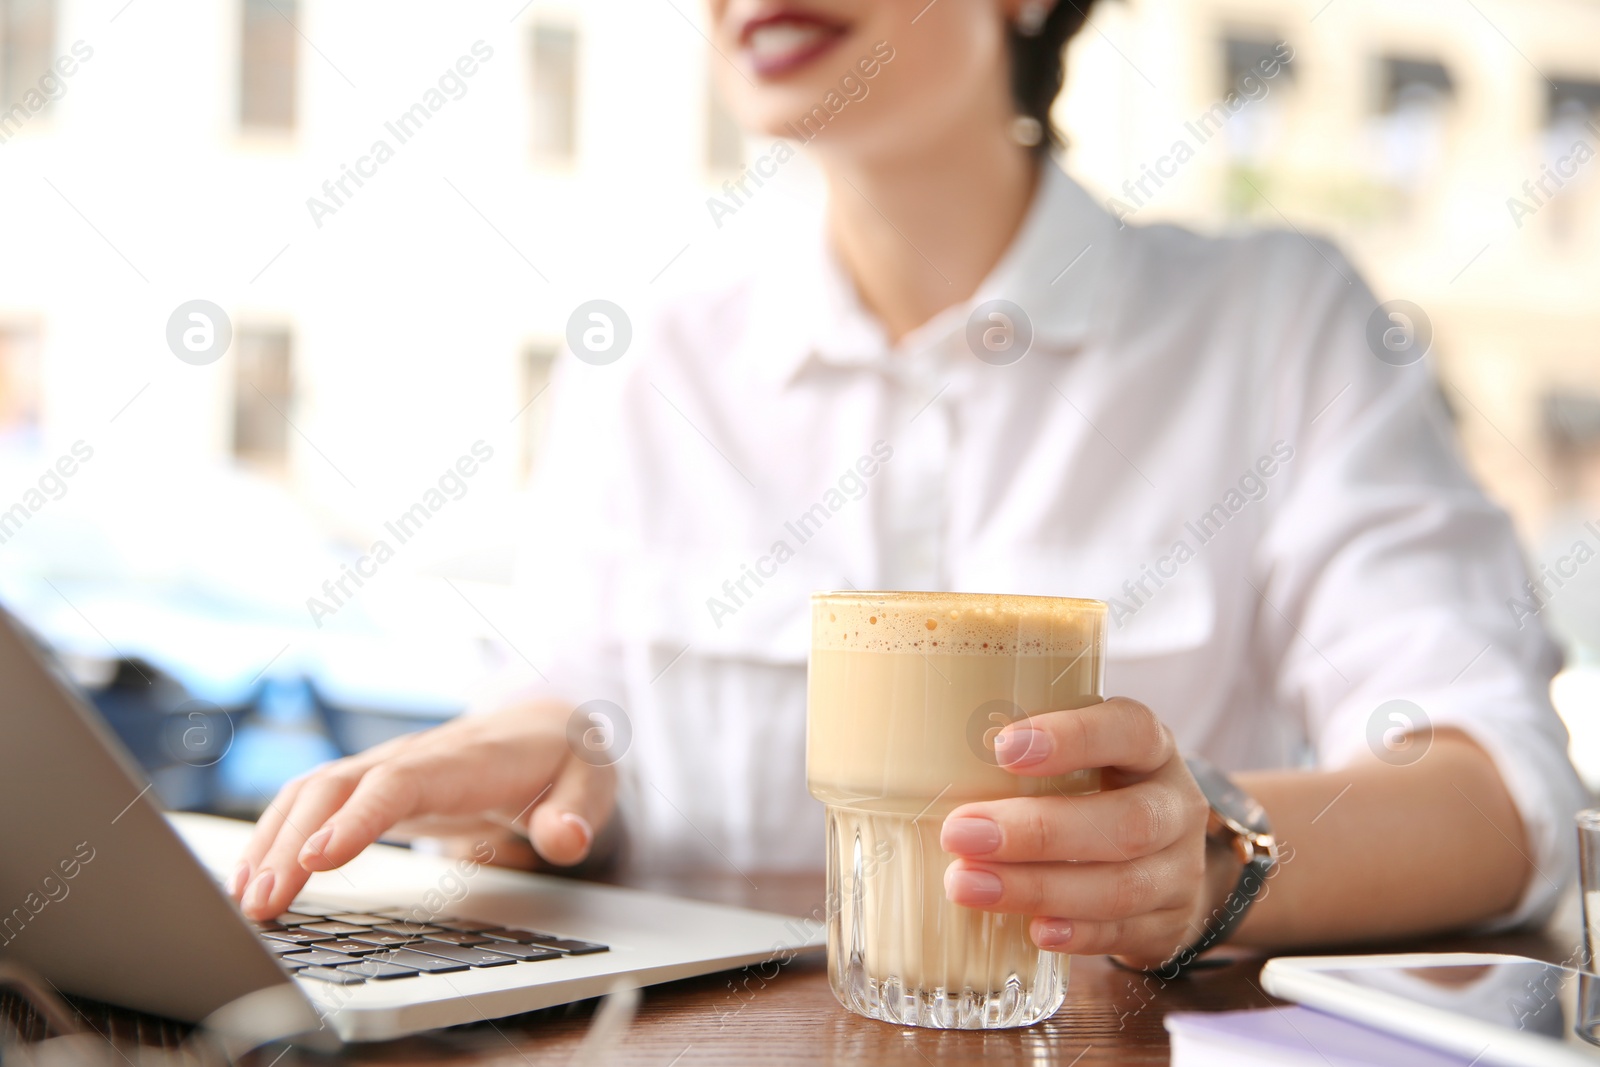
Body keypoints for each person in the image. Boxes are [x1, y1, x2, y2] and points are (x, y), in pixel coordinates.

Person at [232, 0, 1587, 970]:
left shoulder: (1281, 329)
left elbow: (1498, 794)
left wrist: (1210, 856)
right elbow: (566, 779)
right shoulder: (646, 363)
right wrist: (526, 807)